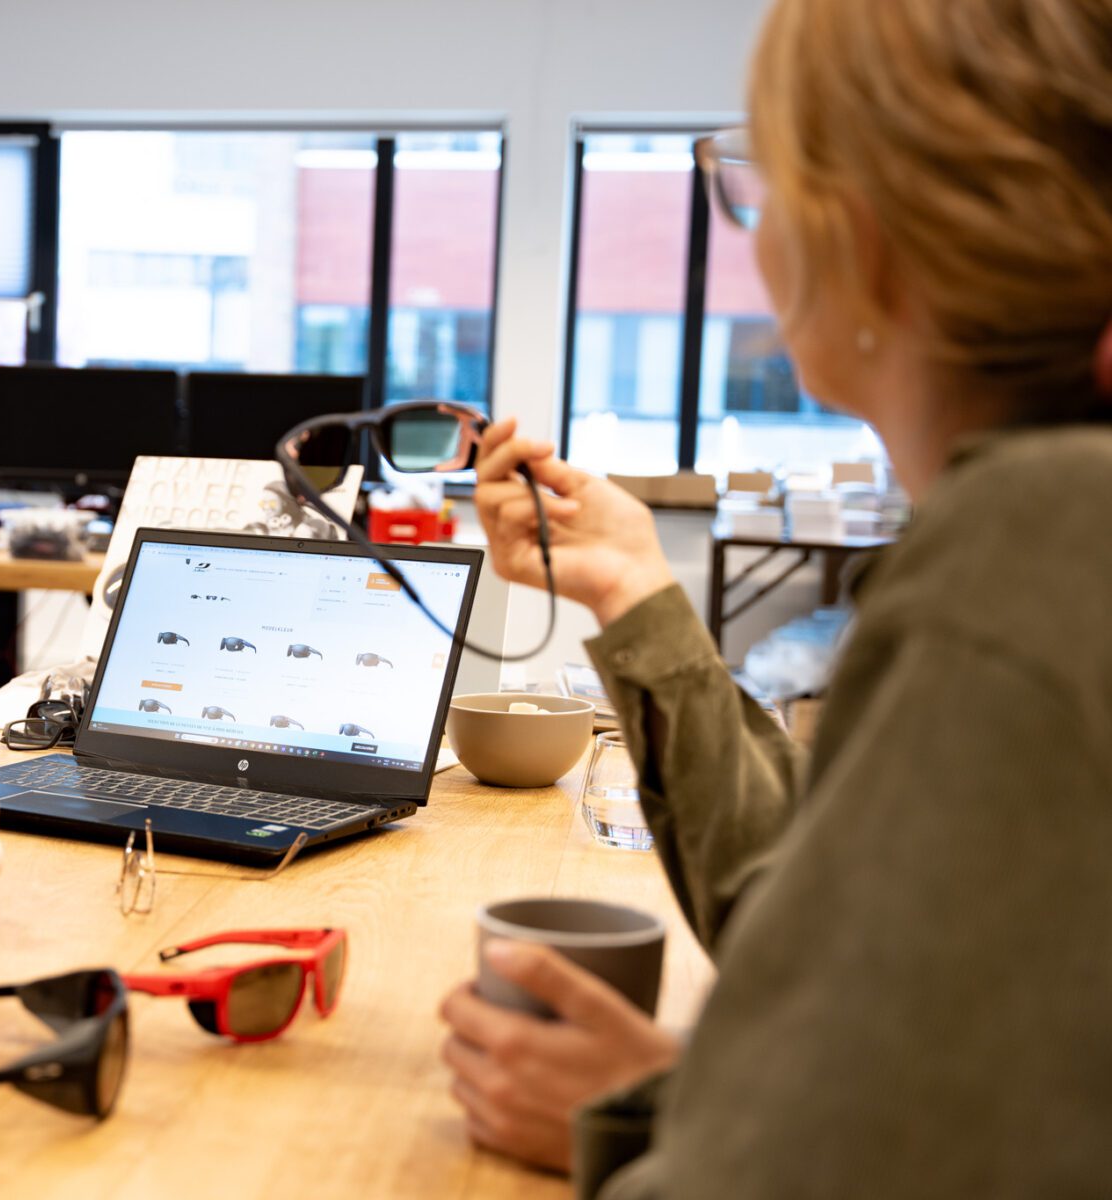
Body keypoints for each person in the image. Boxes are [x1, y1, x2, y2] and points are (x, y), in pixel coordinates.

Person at [440, 0, 1112, 1192]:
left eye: (764, 170)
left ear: (865, 232)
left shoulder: (1038, 536)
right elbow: (834, 935)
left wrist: (668, 1125)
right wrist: (634, 585)